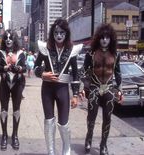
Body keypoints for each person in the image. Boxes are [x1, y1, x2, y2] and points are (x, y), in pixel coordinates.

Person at [34, 18, 81, 155]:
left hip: (63, 90)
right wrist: (43, 74)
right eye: (56, 33)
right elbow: (36, 66)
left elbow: (75, 74)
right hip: (47, 89)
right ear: (52, 34)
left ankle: (66, 151)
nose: (59, 36)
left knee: (64, 124)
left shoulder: (72, 50)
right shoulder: (45, 48)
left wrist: (76, 95)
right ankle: (51, 152)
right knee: (49, 122)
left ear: (66, 33)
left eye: (62, 33)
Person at [83, 23, 123, 155]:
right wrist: (83, 88)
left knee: (108, 118)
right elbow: (84, 71)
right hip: (94, 88)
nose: (104, 40)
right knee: (91, 117)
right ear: (98, 38)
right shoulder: (91, 53)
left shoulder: (115, 54)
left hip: (109, 89)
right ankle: (88, 139)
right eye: (102, 37)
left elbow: (118, 73)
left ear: (111, 38)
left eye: (107, 37)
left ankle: (103, 145)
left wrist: (120, 90)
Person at [0, 29, 26, 151]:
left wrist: (18, 68)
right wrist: (4, 67)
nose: (8, 40)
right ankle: (4, 135)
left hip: (17, 85)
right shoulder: (0, 53)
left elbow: (25, 67)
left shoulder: (20, 53)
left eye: (10, 38)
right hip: (4, 85)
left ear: (14, 40)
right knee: (3, 110)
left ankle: (15, 135)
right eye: (6, 38)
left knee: (16, 110)